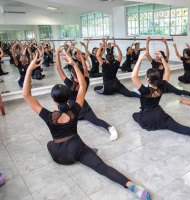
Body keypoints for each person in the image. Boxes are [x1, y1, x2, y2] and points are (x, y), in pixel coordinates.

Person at [22, 52, 151, 200]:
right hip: (77, 149)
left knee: (50, 143)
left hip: (59, 156)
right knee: (102, 167)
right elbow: (83, 84)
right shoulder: (75, 110)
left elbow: (27, 95)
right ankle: (133, 187)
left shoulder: (48, 116)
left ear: (52, 99)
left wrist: (29, 69)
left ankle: (86, 150)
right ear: (68, 96)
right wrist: (74, 63)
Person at [131, 51, 190, 139]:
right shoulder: (162, 86)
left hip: (147, 119)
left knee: (134, 115)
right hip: (160, 116)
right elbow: (167, 71)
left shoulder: (145, 90)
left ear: (147, 79)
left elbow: (134, 76)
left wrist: (139, 59)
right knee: (180, 127)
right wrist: (162, 58)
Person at [56, 45, 118, 141]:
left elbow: (59, 69)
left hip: (72, 111)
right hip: (83, 108)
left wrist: (56, 53)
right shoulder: (85, 82)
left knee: (61, 121)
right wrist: (80, 54)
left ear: (72, 74)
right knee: (96, 120)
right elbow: (84, 67)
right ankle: (110, 128)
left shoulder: (69, 84)